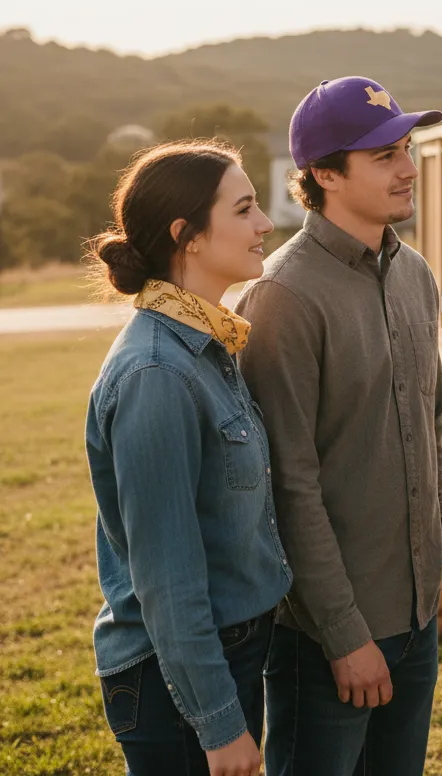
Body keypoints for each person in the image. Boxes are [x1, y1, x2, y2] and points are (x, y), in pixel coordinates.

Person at [235, 76, 442, 776]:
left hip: (417, 619)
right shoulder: (282, 297)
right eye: (384, 155)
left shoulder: (415, 274)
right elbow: (287, 483)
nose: (408, 168)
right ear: (324, 174)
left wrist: (439, 534)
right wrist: (341, 634)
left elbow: (433, 420)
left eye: (406, 148)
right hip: (328, 636)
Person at [84, 140, 291, 776]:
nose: (265, 225)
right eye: (244, 209)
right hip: (182, 681)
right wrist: (219, 724)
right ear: (188, 237)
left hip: (226, 655)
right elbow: (167, 579)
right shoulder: (156, 373)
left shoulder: (205, 344)